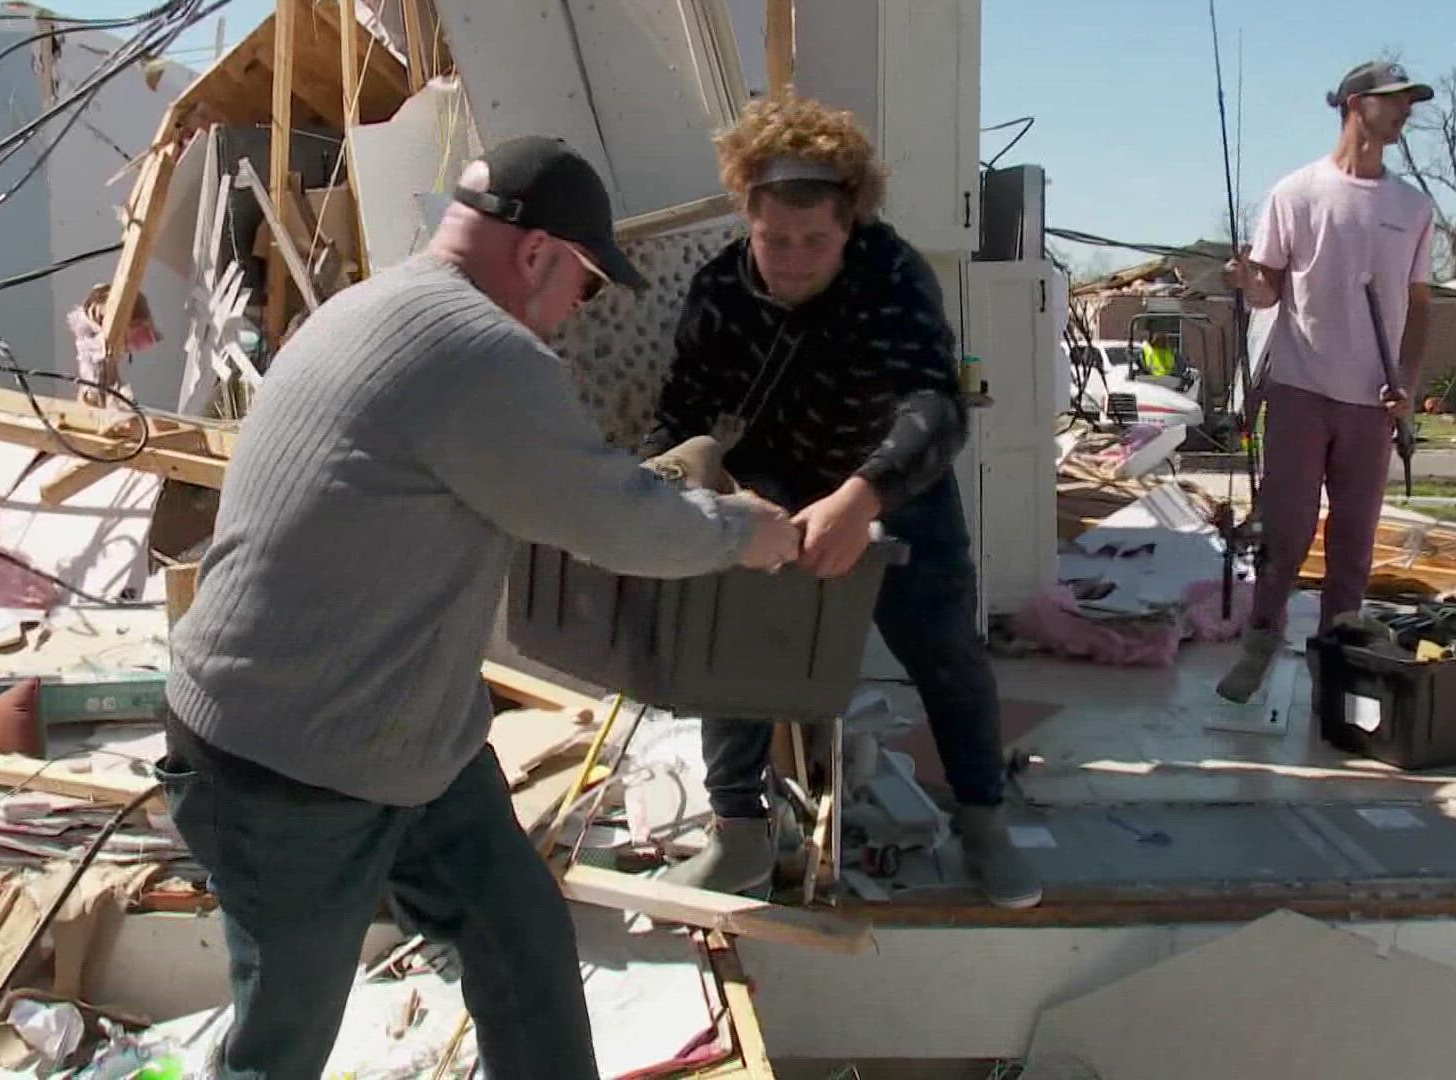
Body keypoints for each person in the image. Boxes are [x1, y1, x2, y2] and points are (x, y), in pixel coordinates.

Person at [160, 136, 801, 1080]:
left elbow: (545, 488)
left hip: (409, 741)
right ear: (537, 254)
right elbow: (617, 525)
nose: (573, 317)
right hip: (285, 759)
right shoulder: (480, 351)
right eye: (582, 288)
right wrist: (743, 530)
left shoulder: (369, 305)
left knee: (521, 941)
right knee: (281, 1041)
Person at [638, 95, 1044, 910]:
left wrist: (863, 498)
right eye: (773, 240)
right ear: (747, 219)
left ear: (849, 224)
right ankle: (738, 836)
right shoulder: (719, 291)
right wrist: (724, 495)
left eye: (814, 241)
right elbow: (681, 415)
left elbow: (936, 406)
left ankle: (981, 822)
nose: (791, 260)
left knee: (945, 652)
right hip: (771, 482)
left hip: (887, 477)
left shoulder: (891, 274)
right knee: (739, 651)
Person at [1217, 60, 1435, 701]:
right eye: (1395, 100)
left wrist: (1409, 386)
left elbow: (1419, 305)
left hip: (1372, 402)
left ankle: (1337, 669)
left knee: (1354, 546)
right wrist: (1244, 278)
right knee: (1286, 534)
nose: (1406, 112)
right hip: (1298, 387)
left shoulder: (1413, 206)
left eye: (1410, 102)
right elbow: (1266, 292)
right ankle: (1261, 643)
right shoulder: (1297, 193)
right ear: (1355, 103)